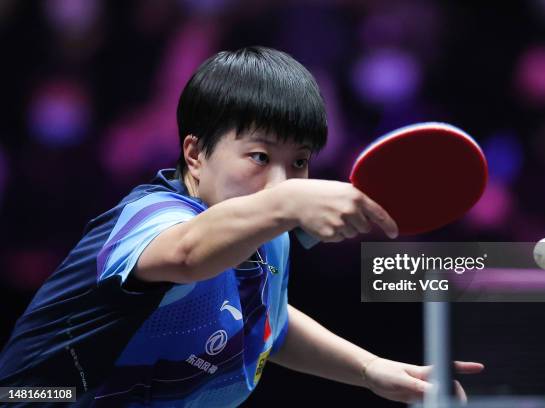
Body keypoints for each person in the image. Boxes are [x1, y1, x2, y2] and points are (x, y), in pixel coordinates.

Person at [0, 46, 483, 406]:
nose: (279, 179)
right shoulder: (151, 217)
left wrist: (370, 369)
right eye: (258, 156)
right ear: (194, 153)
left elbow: (265, 319)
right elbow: (188, 253)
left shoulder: (268, 237)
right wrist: (289, 199)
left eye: (298, 162)